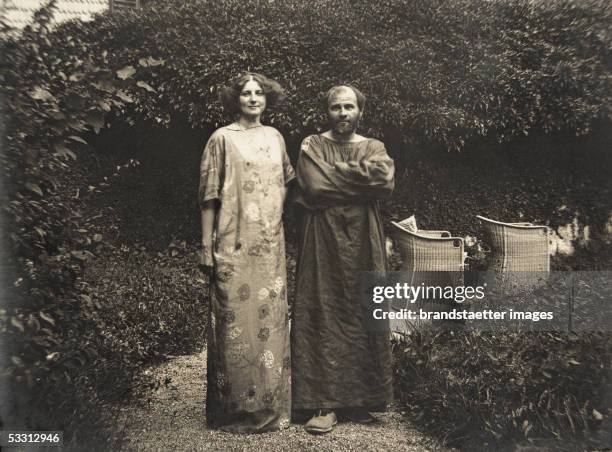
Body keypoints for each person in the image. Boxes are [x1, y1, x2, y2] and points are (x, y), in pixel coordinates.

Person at [291, 85, 395, 434]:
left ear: (360, 111)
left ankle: (360, 399)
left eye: (349, 106)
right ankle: (324, 402)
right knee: (324, 306)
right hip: (322, 236)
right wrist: (359, 179)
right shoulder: (312, 144)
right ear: (327, 112)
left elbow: (384, 183)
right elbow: (315, 187)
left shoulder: (375, 147)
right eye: (336, 107)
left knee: (361, 307)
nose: (343, 113)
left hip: (365, 238)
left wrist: (337, 174)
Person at [198, 73, 295, 433]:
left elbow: (285, 181)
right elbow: (208, 196)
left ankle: (269, 408)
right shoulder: (221, 138)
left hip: (269, 247)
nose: (253, 98)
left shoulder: (274, 137)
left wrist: (271, 217)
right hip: (232, 244)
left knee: (269, 325)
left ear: (267, 99)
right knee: (233, 322)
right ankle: (233, 412)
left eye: (259, 93)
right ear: (235, 99)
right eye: (245, 93)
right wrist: (206, 246)